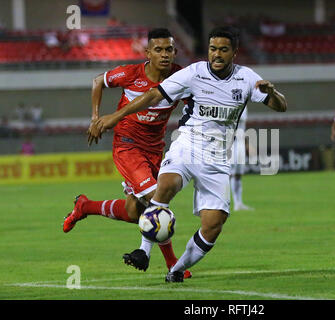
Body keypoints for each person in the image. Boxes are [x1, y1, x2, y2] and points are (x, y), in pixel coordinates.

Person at [88, 26, 287, 282]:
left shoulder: (247, 78)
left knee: (213, 225)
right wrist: (114, 117)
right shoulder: (193, 73)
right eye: (213, 49)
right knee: (165, 186)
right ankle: (144, 251)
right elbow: (153, 95)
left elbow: (281, 106)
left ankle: (176, 269)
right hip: (187, 145)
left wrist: (272, 92)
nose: (216, 54)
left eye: (223, 50)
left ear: (234, 53)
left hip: (217, 159)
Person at [62, 28, 191, 279]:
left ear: (175, 52)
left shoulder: (180, 76)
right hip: (127, 145)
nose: (164, 55)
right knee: (158, 197)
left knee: (135, 212)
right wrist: (96, 118)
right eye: (158, 50)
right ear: (147, 53)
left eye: (169, 50)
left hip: (155, 150)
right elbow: (98, 80)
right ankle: (173, 265)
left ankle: (85, 206)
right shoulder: (131, 74)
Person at [230, 107, 253, 211]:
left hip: (239, 143)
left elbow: (241, 128)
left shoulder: (244, 105)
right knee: (230, 173)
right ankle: (229, 202)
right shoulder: (230, 102)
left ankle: (238, 203)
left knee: (238, 174)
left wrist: (247, 144)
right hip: (230, 142)